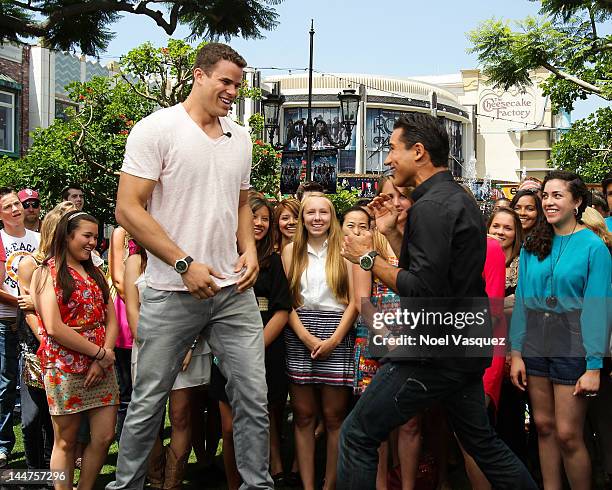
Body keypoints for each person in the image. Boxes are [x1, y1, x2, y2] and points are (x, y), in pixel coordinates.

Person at [338, 113, 537, 490]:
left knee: (357, 434)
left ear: (418, 151)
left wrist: (368, 257)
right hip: (461, 348)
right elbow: (434, 275)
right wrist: (394, 233)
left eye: (393, 149)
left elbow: (424, 292)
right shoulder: (454, 200)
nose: (387, 160)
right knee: (483, 444)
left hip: (433, 351)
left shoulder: (432, 208)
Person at [108, 42, 273, 490]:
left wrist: (250, 250)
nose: (233, 91)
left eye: (238, 84)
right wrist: (183, 263)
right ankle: (126, 486)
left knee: (254, 398)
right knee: (148, 402)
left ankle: (257, 486)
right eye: (225, 81)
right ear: (198, 76)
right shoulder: (156, 128)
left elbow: (242, 204)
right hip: (169, 289)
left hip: (231, 291)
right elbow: (128, 209)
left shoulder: (240, 138)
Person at [510, 170, 611, 490]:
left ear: (577, 201)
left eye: (558, 196)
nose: (549, 202)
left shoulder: (594, 247)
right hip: (536, 342)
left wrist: (594, 364)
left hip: (574, 341)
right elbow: (523, 301)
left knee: (569, 434)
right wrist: (516, 352)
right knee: (543, 427)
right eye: (546, 196)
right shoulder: (532, 245)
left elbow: (598, 308)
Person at [31, 210, 119, 490]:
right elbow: (54, 327)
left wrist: (103, 355)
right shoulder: (47, 272)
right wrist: (99, 353)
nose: (93, 242)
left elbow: (111, 318)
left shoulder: (95, 270)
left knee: (104, 436)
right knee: (66, 441)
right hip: (64, 366)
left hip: (101, 364)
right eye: (86, 236)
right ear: (67, 236)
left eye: (95, 236)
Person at [210, 195, 291, 489]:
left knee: (260, 423)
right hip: (225, 353)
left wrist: (253, 347)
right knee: (230, 428)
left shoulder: (273, 261)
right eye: (253, 217)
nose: (258, 223)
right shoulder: (221, 258)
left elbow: (283, 309)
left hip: (265, 352)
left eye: (264, 219)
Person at [282, 193, 357, 490]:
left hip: (338, 330)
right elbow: (286, 301)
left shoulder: (345, 248)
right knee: (302, 415)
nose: (316, 218)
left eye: (323, 212)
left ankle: (330, 484)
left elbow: (353, 301)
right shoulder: (290, 251)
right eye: (310, 212)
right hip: (300, 329)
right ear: (301, 218)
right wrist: (306, 337)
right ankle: (308, 484)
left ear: (332, 217)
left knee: (334, 416)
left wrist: (335, 340)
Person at [125, 239, 212, 490]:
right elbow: (133, 309)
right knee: (148, 413)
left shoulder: (191, 256)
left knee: (180, 416)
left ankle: (171, 484)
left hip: (188, 350)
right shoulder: (135, 261)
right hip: (148, 347)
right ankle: (154, 478)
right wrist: (151, 346)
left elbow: (204, 306)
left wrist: (189, 345)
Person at [17, 201, 75, 473]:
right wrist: (47, 340)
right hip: (38, 346)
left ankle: (56, 476)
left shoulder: (72, 264)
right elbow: (27, 309)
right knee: (32, 417)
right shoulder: (31, 264)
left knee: (59, 418)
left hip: (66, 345)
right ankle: (32, 472)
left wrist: (36, 304)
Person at [0, 187, 40, 467]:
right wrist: (22, 301)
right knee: (5, 383)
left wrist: (33, 305)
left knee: (36, 384)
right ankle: (3, 445)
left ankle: (44, 447)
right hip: (5, 319)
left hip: (35, 320)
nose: (15, 209)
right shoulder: (0, 239)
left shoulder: (38, 239)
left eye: (17, 204)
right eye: (8, 207)